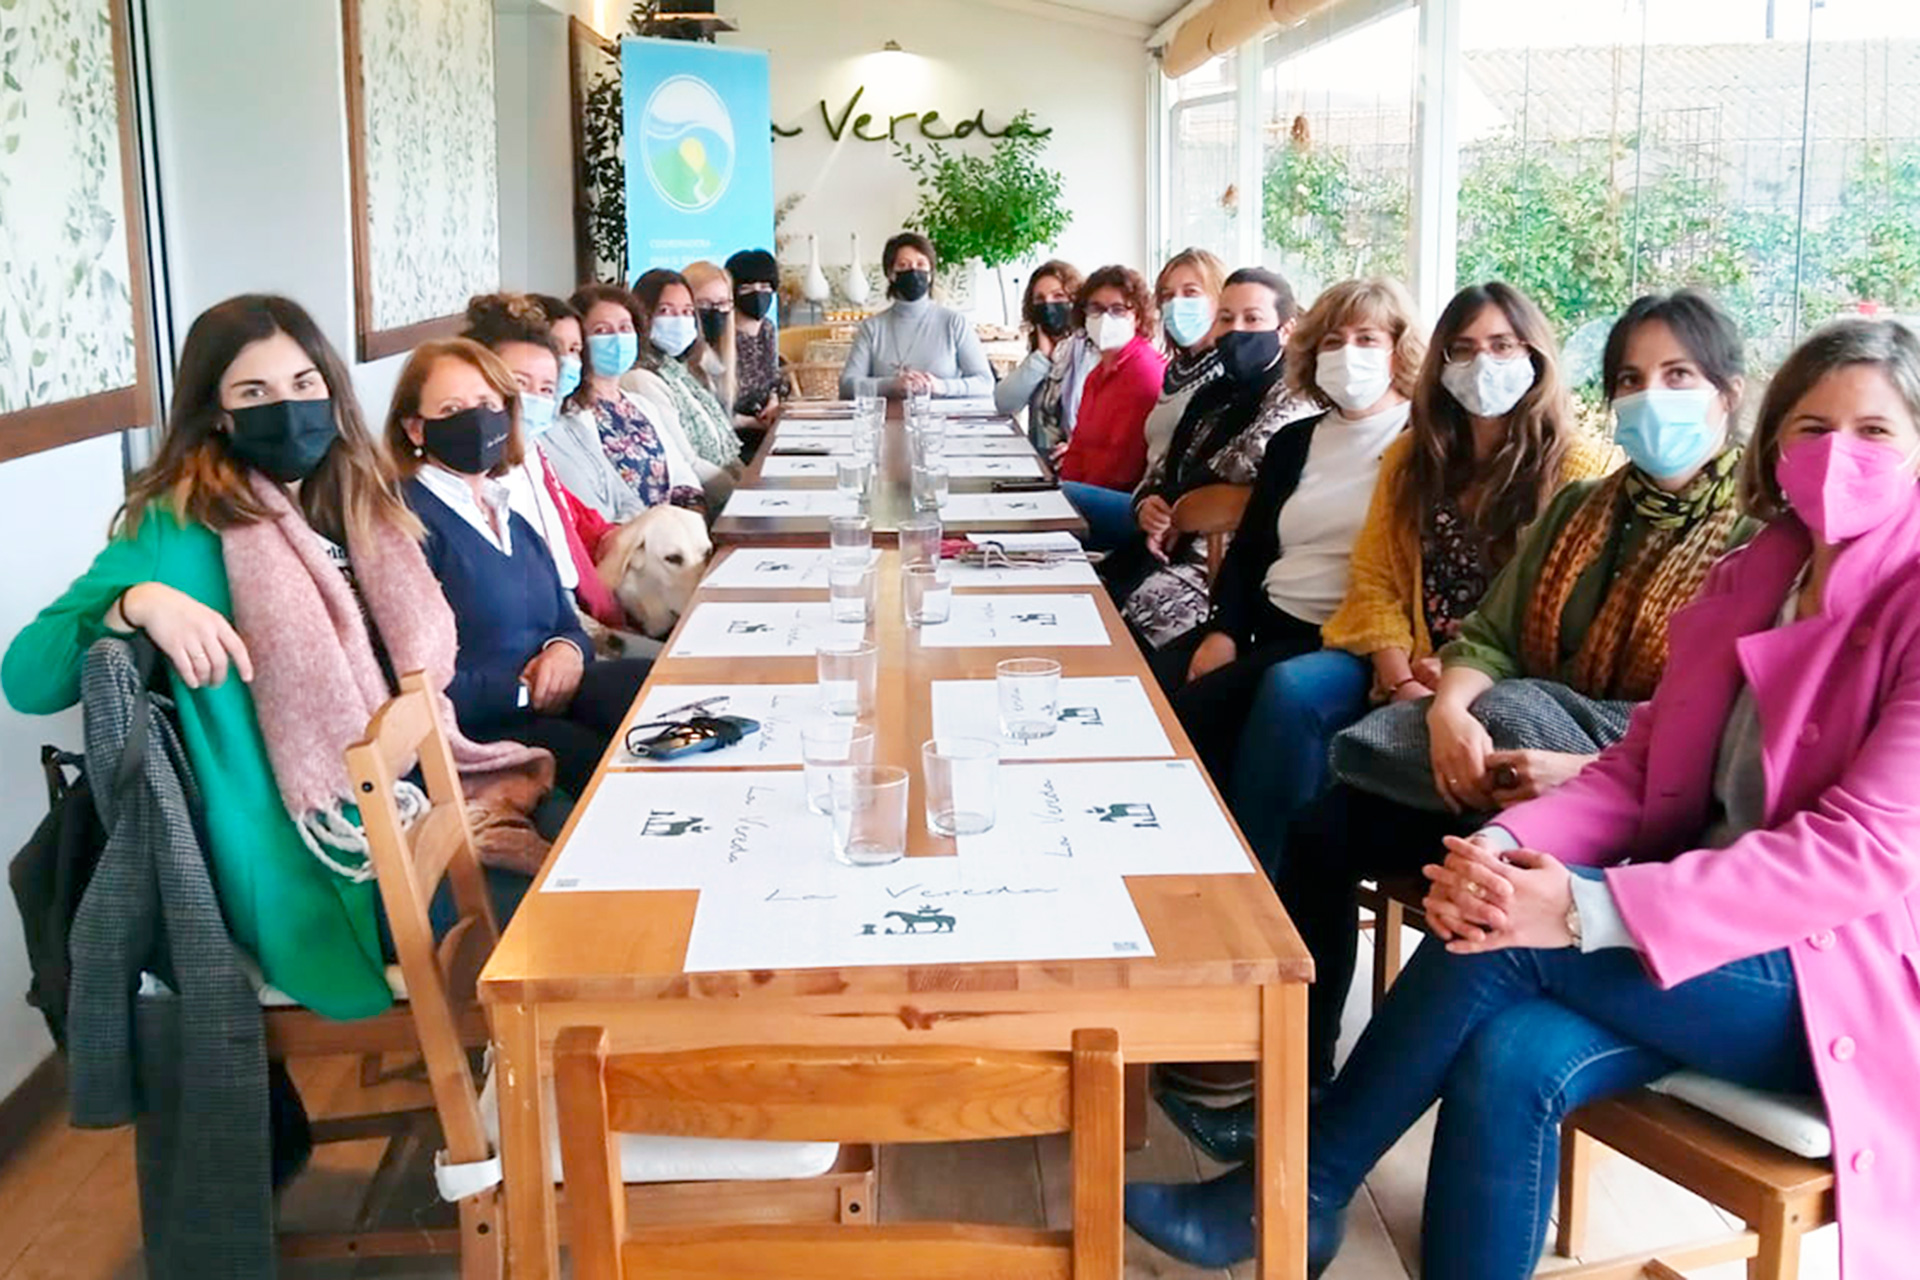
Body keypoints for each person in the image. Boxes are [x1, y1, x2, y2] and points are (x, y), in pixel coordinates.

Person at [1125, 317, 1920, 1280]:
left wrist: (1586, 905)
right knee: (1510, 1055)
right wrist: (1500, 845)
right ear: (1775, 440)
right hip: (1696, 924)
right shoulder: (1758, 574)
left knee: (1501, 951)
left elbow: (1859, 855)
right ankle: (1305, 1194)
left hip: (1847, 967)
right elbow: (1642, 767)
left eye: (1873, 432)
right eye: (1811, 428)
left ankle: (1300, 1191)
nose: (1836, 455)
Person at [1162, 289, 1758, 1159]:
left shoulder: (1747, 539)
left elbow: (1719, 727)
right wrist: (1429, 691)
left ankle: (1319, 1145)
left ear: (1730, 395)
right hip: (1475, 716)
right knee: (1321, 829)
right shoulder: (1584, 506)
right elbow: (1477, 624)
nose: (1650, 397)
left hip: (1605, 787)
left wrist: (1500, 716)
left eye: (1676, 376)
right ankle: (1293, 1069)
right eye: (1631, 377)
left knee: (1458, 867)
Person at [2, 296, 554, 1020]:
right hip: (320, 861)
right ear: (217, 413)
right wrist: (135, 602)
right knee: (561, 927)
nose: (287, 408)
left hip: (418, 796)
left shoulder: (352, 503)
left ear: (331, 390)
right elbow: (28, 677)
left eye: (303, 384)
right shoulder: (182, 525)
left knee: (584, 861)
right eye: (254, 392)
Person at [1227, 283, 1618, 876]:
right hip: (1403, 663)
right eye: (1463, 349)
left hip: (1504, 683)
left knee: (1333, 815)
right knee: (1290, 692)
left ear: (1536, 358)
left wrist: (1461, 678)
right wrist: (1402, 675)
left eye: (1503, 346)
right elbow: (1375, 578)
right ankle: (1254, 893)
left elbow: (1558, 615)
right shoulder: (1413, 457)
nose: (1482, 364)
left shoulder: (1579, 470)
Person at [1159, 279, 1423, 783]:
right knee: (1144, 686)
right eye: (1332, 340)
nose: (1348, 353)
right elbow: (1251, 549)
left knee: (1193, 718)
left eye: (1367, 339)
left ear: (1398, 349)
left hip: (1343, 640)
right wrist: (1225, 630)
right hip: (1267, 619)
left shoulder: (1423, 441)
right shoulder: (1294, 440)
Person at [386, 338, 650, 797]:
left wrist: (565, 651)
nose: (475, 419)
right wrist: (529, 691)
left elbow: (565, 623)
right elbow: (416, 679)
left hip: (552, 698)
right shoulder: (405, 524)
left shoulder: (508, 512)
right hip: (485, 728)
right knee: (614, 770)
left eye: (487, 404)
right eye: (451, 409)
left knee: (654, 696)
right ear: (414, 429)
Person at [1104, 267, 1315, 652]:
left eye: (1253, 319)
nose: (1237, 330)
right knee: (1095, 604)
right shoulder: (1210, 394)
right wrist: (1148, 505)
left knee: (1135, 623)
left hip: (1224, 564)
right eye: (1226, 318)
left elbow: (1246, 458)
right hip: (1167, 544)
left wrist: (1176, 507)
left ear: (1285, 329)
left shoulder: (1296, 395)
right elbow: (1162, 467)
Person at [462, 293, 627, 629]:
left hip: (573, 612)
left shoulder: (533, 453)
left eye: (545, 389)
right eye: (518, 383)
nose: (532, 400)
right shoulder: (473, 474)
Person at [564, 282, 706, 516]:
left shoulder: (641, 405)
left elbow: (682, 473)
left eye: (625, 328)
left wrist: (692, 517)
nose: (617, 338)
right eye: (601, 331)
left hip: (678, 535)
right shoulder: (570, 415)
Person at [1057, 265, 1168, 551]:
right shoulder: (1097, 374)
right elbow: (1079, 448)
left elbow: (1125, 466)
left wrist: (1067, 497)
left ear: (1138, 316)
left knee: (1055, 498)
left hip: (1132, 506)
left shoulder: (1144, 372)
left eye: (1118, 309)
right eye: (1096, 308)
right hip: (1089, 494)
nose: (1105, 318)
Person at [623, 267, 743, 500]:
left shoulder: (679, 369)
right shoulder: (641, 379)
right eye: (666, 311)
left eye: (687, 312)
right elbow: (686, 462)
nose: (679, 320)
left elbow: (724, 446)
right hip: (706, 501)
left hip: (728, 486)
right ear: (643, 314)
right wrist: (743, 493)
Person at [837, 231, 993, 400]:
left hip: (944, 421)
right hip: (886, 421)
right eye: (903, 265)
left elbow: (985, 383)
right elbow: (847, 386)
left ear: (930, 273)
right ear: (891, 274)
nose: (913, 271)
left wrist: (940, 386)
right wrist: (891, 385)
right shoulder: (872, 328)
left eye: (921, 264)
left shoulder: (954, 323)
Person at [993, 259, 1095, 453]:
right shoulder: (1041, 353)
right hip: (1040, 463)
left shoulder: (1090, 351)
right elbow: (1003, 403)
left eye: (1058, 296)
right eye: (1040, 299)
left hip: (1076, 463)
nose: (1048, 305)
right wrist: (1041, 357)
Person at [1144, 248, 1228, 477]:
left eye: (1190, 293)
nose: (1176, 304)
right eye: (1168, 296)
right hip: (1145, 497)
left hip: (1177, 502)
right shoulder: (1176, 369)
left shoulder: (1226, 369)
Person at [723, 247, 788, 425]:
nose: (758, 293)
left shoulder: (767, 328)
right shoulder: (721, 334)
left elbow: (774, 379)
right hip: (734, 433)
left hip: (765, 425)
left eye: (765, 286)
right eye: (747, 288)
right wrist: (753, 423)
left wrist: (773, 402)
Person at [682, 259, 740, 423]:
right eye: (704, 304)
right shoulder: (681, 363)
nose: (715, 312)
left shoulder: (717, 355)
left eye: (722, 303)